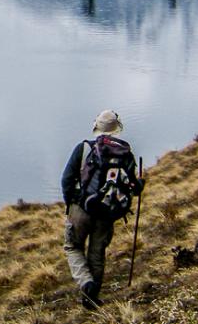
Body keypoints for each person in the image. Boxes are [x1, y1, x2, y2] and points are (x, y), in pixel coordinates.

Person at [61, 109, 143, 309]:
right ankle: (91, 298)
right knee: (97, 253)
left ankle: (85, 283)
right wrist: (140, 184)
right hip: (107, 211)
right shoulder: (126, 153)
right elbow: (133, 187)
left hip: (82, 208)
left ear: (96, 126)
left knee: (73, 246)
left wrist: (71, 203)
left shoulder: (84, 148)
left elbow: (67, 180)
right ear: (117, 129)